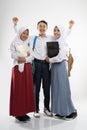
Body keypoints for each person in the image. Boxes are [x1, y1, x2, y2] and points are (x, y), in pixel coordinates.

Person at [12, 18, 52, 118]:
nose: (42, 28)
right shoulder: (32, 38)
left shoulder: (50, 38)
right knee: (36, 87)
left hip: (47, 65)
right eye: (40, 26)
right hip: (36, 64)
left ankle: (46, 108)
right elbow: (20, 35)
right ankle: (36, 109)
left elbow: (60, 38)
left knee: (46, 87)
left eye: (44, 26)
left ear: (46, 28)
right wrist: (15, 25)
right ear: (37, 28)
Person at [46, 20, 77, 120]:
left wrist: (49, 59)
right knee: (56, 88)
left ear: (61, 32)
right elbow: (66, 33)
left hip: (60, 66)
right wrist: (70, 28)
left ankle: (70, 111)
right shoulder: (57, 40)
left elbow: (60, 57)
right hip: (55, 67)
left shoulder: (62, 42)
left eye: (58, 30)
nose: (55, 32)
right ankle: (60, 111)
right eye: (54, 30)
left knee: (63, 89)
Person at [10, 27, 35, 122]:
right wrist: (22, 56)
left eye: (26, 33)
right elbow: (13, 54)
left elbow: (32, 56)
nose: (25, 35)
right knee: (18, 90)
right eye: (23, 33)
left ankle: (24, 112)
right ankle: (18, 113)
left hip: (27, 68)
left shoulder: (27, 43)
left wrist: (24, 58)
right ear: (19, 33)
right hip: (17, 68)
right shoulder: (15, 42)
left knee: (26, 90)